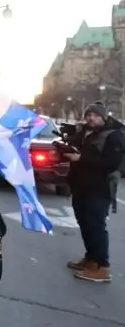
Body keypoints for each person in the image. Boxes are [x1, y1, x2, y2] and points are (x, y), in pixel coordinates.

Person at [66, 102, 125, 282]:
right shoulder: (87, 132)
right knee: (84, 222)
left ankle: (102, 267)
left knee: (95, 225)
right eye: (88, 115)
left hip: (99, 188)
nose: (91, 118)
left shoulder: (114, 135)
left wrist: (81, 157)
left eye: (95, 115)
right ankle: (90, 259)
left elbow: (112, 162)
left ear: (104, 116)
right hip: (82, 185)